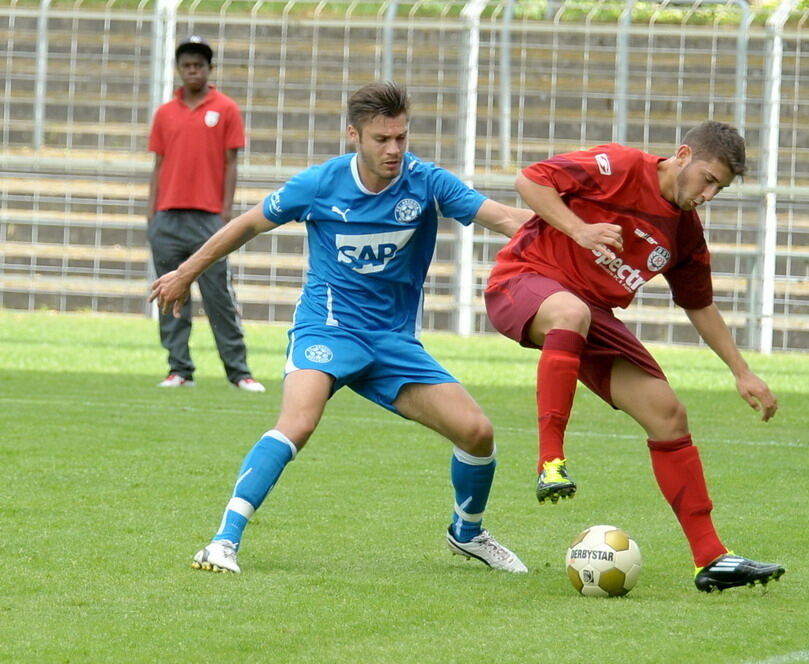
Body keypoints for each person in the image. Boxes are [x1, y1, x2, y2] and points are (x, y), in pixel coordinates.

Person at [150, 81, 533, 574]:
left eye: (401, 137)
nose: (394, 149)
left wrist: (574, 232)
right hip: (327, 330)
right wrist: (186, 272)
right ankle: (223, 541)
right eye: (381, 139)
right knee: (298, 424)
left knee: (478, 433)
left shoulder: (427, 182)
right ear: (354, 134)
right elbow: (246, 224)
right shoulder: (320, 184)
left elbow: (503, 218)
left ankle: (468, 532)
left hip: (392, 343)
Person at [484, 121, 785, 592]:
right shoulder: (619, 166)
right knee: (569, 309)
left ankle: (711, 557)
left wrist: (741, 371)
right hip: (523, 280)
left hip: (589, 315)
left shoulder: (685, 232)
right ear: (683, 155)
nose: (708, 194)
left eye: (719, 189)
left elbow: (699, 304)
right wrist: (579, 230)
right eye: (707, 179)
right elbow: (531, 180)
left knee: (668, 414)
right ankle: (550, 461)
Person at [147, 35, 265, 392]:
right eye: (186, 65)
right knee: (171, 294)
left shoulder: (226, 109)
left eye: (199, 65)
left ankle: (238, 371)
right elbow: (158, 164)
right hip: (167, 217)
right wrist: (152, 214)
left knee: (218, 296)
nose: (192, 70)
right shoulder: (165, 113)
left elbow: (231, 163)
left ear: (208, 69)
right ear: (179, 70)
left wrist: (225, 213)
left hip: (208, 218)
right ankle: (178, 369)